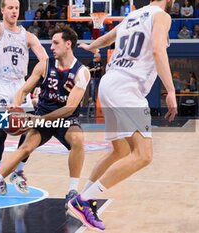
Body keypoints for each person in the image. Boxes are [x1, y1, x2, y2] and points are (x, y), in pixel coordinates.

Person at [67, 0, 177, 231]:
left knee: (121, 151)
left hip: (109, 83)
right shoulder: (161, 16)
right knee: (143, 155)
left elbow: (108, 39)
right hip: (127, 87)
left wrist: (92, 46)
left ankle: (85, 198)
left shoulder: (132, 16)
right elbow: (157, 50)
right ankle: (83, 201)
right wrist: (171, 90)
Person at [0, 26, 91, 207]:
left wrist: (39, 120)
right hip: (43, 113)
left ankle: (72, 189)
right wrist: (16, 102)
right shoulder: (44, 65)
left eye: (55, 43)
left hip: (65, 119)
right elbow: (24, 89)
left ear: (68, 44)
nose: (51, 47)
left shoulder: (82, 72)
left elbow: (69, 108)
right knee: (25, 147)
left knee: (78, 139)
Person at [0, 0, 48, 196]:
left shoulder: (27, 36)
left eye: (16, 8)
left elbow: (45, 59)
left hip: (20, 86)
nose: (13, 11)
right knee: (0, 133)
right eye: (9, 7)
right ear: (2, 10)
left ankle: (18, 172)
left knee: (29, 132)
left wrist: (40, 83)